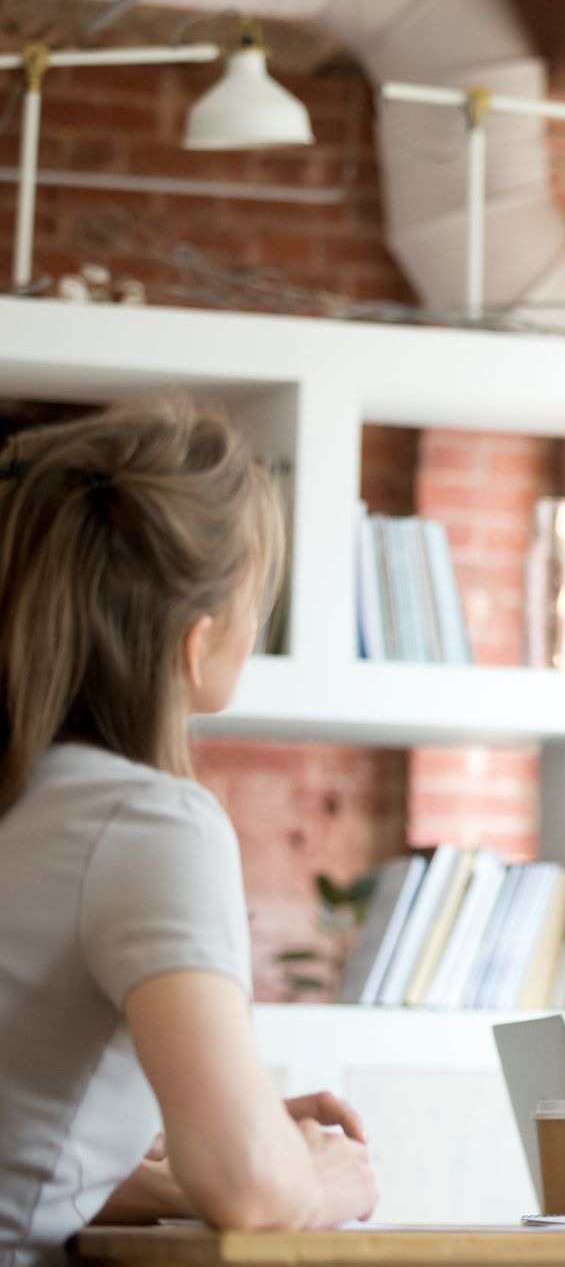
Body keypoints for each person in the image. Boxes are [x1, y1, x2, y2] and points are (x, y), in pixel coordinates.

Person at [0, 402, 377, 1267]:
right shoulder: (148, 822)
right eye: (256, 596)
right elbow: (251, 1189)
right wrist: (316, 1177)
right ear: (198, 642)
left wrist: (208, 1158)